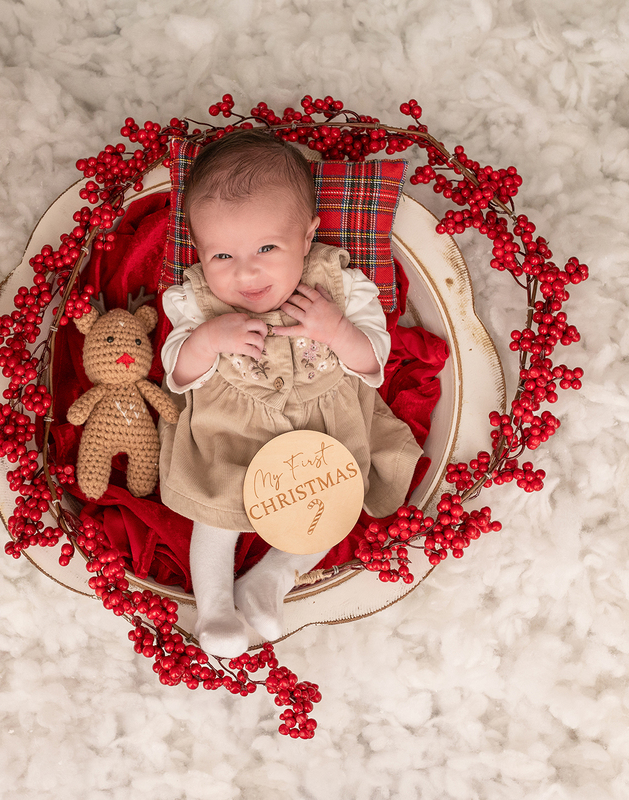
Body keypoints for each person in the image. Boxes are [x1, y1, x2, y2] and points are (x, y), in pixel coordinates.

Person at [158, 129, 422, 657]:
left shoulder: (341, 286)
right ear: (201, 253)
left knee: (333, 502)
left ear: (308, 237)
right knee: (214, 508)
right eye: (222, 256)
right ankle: (212, 606)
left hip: (326, 429)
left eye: (267, 248)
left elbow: (373, 362)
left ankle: (270, 579)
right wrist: (208, 339)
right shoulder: (194, 299)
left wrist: (336, 330)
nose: (246, 271)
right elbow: (176, 373)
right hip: (231, 432)